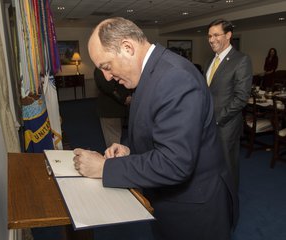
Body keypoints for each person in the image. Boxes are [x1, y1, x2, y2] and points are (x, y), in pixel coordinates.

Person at [73, 17, 238, 240]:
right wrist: (130, 150)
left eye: (107, 66)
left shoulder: (175, 78)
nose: (107, 77)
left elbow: (174, 163)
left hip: (194, 210)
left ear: (127, 48)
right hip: (169, 201)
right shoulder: (150, 73)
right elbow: (158, 131)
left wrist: (104, 169)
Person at [204, 19, 253, 190]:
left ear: (229, 35)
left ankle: (230, 206)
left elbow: (241, 98)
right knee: (211, 166)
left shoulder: (241, 60)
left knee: (228, 169)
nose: (211, 39)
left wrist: (217, 119)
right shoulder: (211, 61)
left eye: (216, 35)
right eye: (209, 36)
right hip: (208, 125)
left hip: (226, 126)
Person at [94, 67, 132, 148]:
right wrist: (124, 98)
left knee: (115, 142)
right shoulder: (102, 67)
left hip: (115, 109)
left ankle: (116, 160)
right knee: (114, 142)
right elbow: (108, 87)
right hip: (110, 110)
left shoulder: (105, 66)